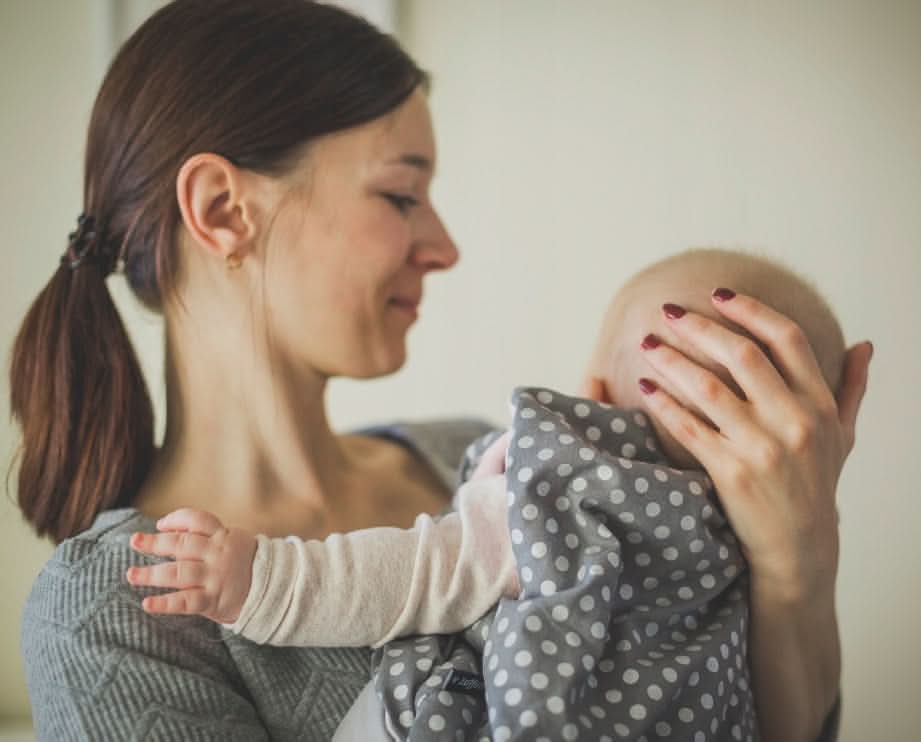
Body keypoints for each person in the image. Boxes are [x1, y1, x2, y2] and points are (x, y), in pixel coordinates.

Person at [9, 1, 872, 740]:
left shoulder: (484, 459)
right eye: (399, 194)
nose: (445, 246)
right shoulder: (119, 614)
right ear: (224, 209)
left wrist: (797, 560)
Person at [124, 247, 847, 740]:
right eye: (400, 194)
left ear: (588, 395)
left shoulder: (559, 489)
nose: (442, 246)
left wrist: (259, 579)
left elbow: (416, 573)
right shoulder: (737, 554)